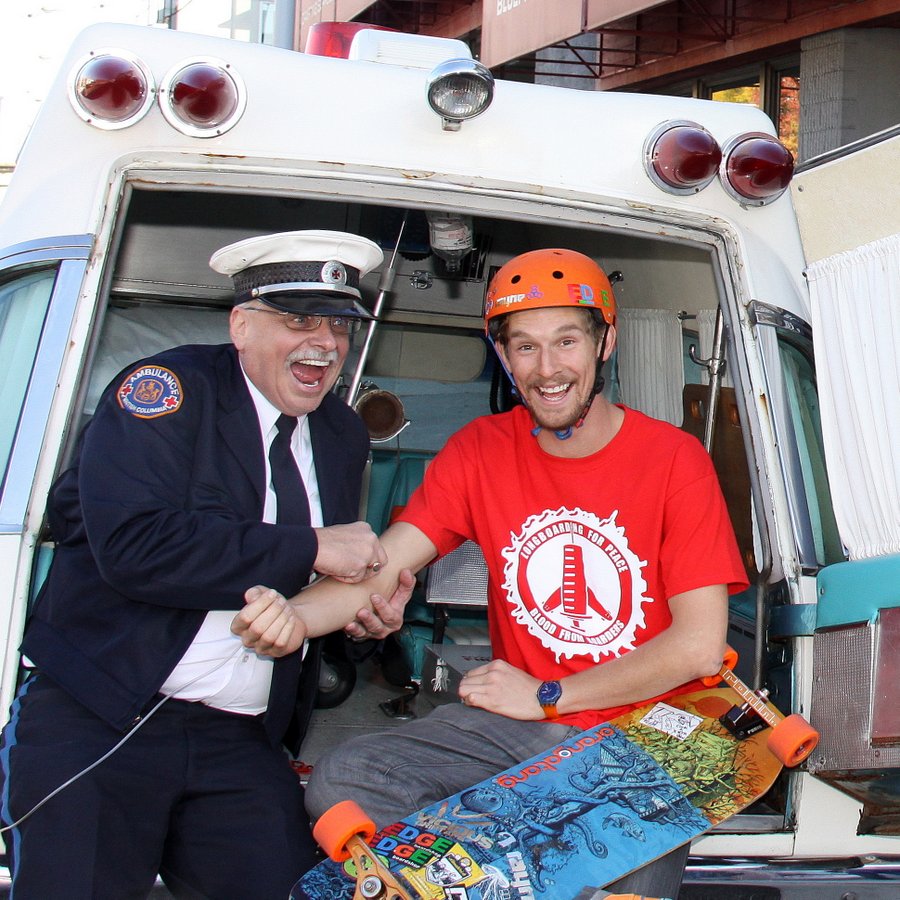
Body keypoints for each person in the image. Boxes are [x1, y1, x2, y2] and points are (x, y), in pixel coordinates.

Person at [232, 247, 750, 898]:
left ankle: (509, 862)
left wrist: (548, 694)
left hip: (641, 737)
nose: (547, 368)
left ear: (605, 341)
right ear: (502, 356)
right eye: (524, 347)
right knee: (345, 779)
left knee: (624, 866)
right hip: (522, 735)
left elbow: (698, 645)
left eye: (566, 341)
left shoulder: (675, 461)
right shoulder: (481, 451)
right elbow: (383, 564)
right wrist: (294, 617)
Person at [0, 230, 413, 899]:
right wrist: (311, 545)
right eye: (299, 320)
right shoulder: (164, 394)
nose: (326, 343)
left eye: (339, 324)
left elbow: (315, 586)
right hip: (104, 714)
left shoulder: (340, 434)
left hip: (239, 738)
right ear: (242, 326)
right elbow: (136, 547)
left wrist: (361, 616)